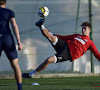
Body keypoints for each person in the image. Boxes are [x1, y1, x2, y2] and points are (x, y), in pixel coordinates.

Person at [22, 18, 100, 78]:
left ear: (89, 30)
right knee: (51, 37)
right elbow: (63, 37)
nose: (83, 30)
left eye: (85, 28)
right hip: (64, 45)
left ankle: (31, 74)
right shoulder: (76, 35)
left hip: (68, 53)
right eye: (82, 28)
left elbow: (96, 53)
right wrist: (51, 33)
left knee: (49, 60)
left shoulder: (90, 42)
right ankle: (40, 25)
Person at [0, 0, 23, 90]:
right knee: (15, 64)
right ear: (5, 2)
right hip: (7, 39)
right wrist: (19, 41)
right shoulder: (9, 12)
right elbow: (14, 24)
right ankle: (19, 88)